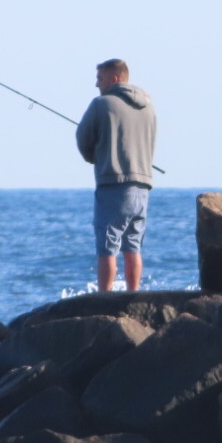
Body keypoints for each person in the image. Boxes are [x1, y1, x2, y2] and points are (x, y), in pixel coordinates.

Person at [76, 58, 157, 292]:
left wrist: (96, 157)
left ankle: (105, 297)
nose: (96, 85)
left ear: (114, 78)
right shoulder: (149, 107)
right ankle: (133, 294)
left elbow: (83, 140)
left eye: (99, 78)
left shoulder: (102, 104)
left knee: (107, 246)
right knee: (133, 246)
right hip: (143, 186)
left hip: (113, 183)